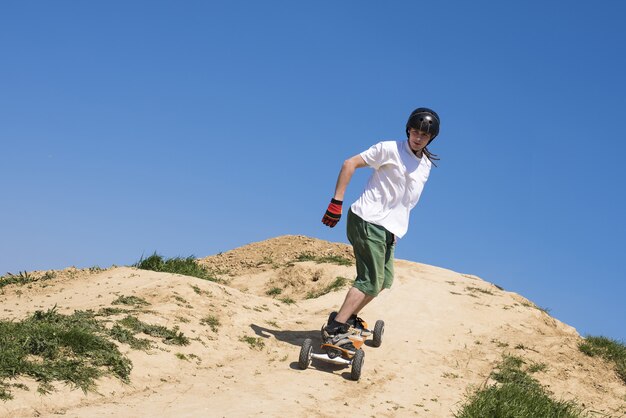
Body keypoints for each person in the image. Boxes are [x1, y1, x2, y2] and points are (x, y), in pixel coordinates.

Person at [320, 107, 441, 347]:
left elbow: (406, 199)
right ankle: (335, 329)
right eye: (415, 132)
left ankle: (346, 317)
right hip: (368, 219)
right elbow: (349, 163)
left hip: (388, 229)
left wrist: (394, 229)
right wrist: (336, 201)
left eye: (424, 135)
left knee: (383, 280)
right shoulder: (389, 148)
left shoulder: (425, 164)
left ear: (431, 138)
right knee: (369, 280)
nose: (418, 137)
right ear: (408, 130)